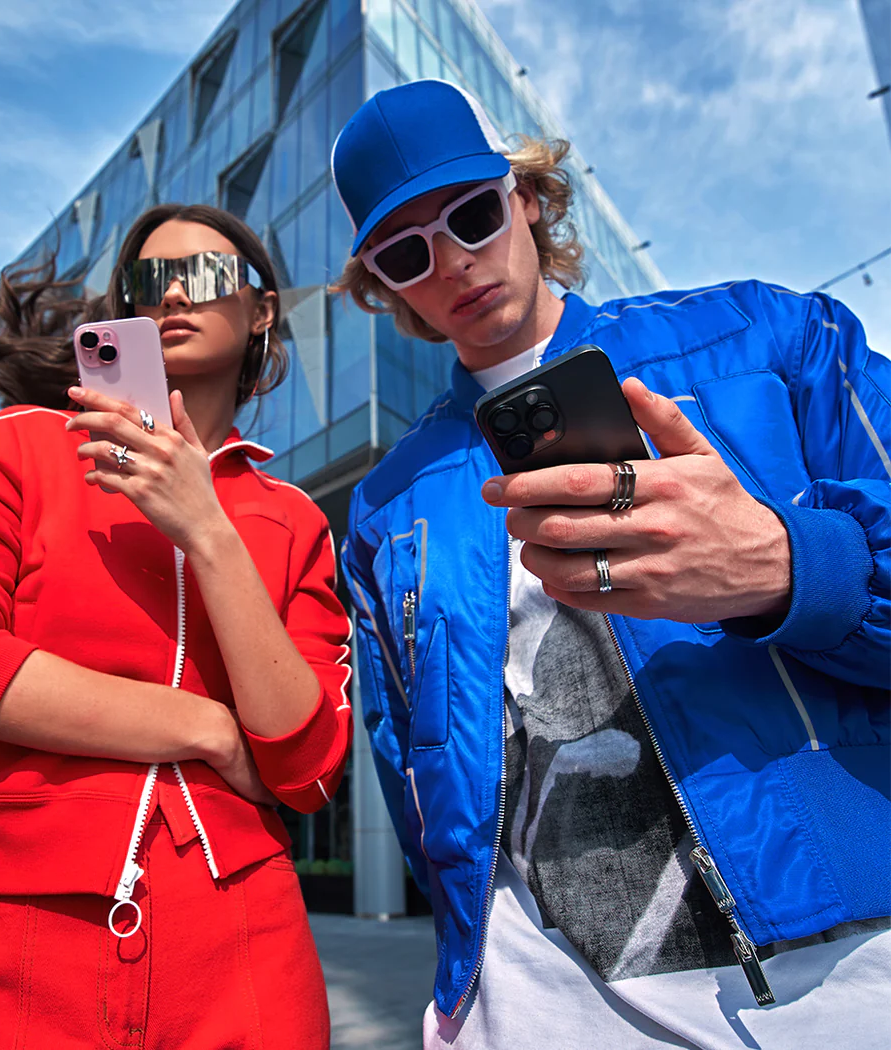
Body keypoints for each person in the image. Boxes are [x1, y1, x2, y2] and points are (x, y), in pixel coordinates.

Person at [331, 79, 890, 1049]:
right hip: (531, 999)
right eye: (408, 252)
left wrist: (794, 568)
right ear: (384, 287)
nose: (456, 260)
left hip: (835, 980)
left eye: (471, 214)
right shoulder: (389, 506)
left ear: (531, 200)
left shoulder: (765, 338)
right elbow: (413, 773)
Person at [0, 203, 352, 1048]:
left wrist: (206, 528)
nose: (172, 297)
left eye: (201, 276)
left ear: (263, 309)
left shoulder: (294, 519)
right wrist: (200, 725)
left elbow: (306, 770)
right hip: (13, 946)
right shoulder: (21, 448)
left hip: (246, 956)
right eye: (147, 283)